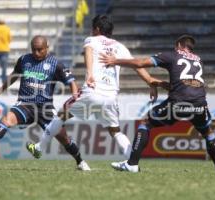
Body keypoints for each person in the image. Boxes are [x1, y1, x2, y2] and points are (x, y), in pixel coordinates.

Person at [27, 15, 165, 161]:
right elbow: (137, 66)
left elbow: (88, 53)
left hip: (92, 92)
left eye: (93, 29)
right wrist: (150, 81)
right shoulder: (120, 47)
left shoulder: (91, 40)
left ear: (97, 29)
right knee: (115, 131)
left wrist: (89, 73)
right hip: (111, 97)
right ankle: (132, 162)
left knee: (61, 115)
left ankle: (39, 147)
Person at [99, 34, 215, 174]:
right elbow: (185, 82)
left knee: (146, 123)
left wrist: (115, 61)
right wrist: (160, 84)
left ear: (179, 45)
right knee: (208, 132)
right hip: (199, 104)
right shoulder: (199, 60)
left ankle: (132, 164)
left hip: (178, 102)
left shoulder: (172, 55)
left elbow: (140, 63)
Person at [0, 35, 90, 171]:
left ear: (47, 48)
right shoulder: (24, 60)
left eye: (40, 50)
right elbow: (15, 74)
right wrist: (1, 88)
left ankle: (80, 161)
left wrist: (75, 97)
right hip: (25, 104)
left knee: (64, 139)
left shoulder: (56, 64)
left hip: (45, 108)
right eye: (34, 50)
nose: (36, 53)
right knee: (7, 119)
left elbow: (71, 81)